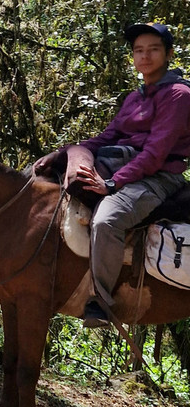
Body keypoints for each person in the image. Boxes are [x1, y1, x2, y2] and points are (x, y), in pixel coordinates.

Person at [35, 22, 190, 327]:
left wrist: (111, 184)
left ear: (169, 54)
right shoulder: (135, 98)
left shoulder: (178, 95)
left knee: (108, 219)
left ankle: (101, 302)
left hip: (158, 177)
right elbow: (108, 136)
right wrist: (66, 151)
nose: (144, 57)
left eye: (153, 50)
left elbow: (155, 154)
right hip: (126, 168)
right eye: (138, 51)